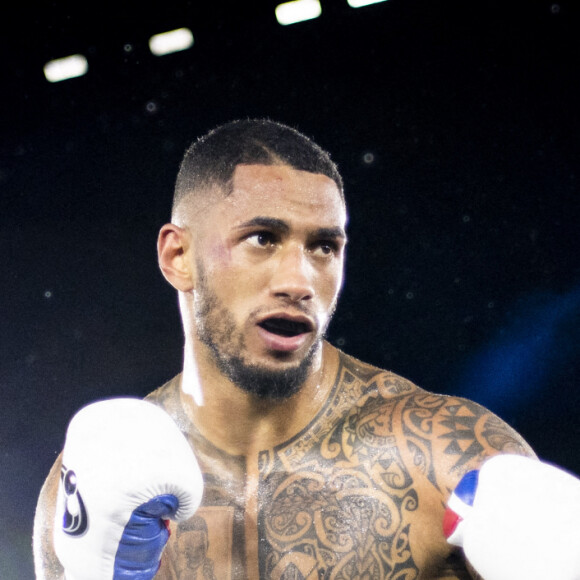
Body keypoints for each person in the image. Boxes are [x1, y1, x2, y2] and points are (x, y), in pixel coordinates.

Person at [33, 119, 571, 579]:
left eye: (323, 247)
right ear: (178, 255)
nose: (300, 279)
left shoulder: (441, 459)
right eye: (263, 238)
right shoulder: (93, 483)